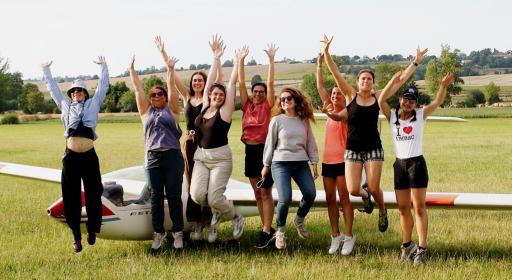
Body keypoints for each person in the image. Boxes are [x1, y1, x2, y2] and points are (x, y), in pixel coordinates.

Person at [378, 56, 453, 265]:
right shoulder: (392, 117)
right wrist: (394, 81)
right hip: (399, 165)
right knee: (403, 209)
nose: (408, 102)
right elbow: (380, 100)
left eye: (412, 100)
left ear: (416, 104)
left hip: (416, 164)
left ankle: (421, 248)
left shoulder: (420, 116)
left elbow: (437, 102)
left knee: (419, 208)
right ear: (400, 99)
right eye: (405, 99)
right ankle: (406, 245)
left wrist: (442, 86)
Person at [155, 36, 221, 242]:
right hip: (190, 145)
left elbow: (212, 78)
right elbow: (173, 80)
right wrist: (164, 55)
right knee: (193, 185)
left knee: (208, 184)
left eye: (200, 80)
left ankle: (211, 221)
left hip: (206, 145)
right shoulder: (187, 97)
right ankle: (197, 224)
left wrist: (215, 57)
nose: (198, 82)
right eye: (195, 80)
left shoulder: (208, 100)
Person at [41, 57, 109, 253]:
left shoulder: (93, 103)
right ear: (71, 94)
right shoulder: (65, 105)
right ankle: (76, 236)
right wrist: (46, 71)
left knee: (94, 193)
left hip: (89, 156)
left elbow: (103, 86)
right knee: (71, 197)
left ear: (85, 93)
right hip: (71, 156)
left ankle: (92, 230)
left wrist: (103, 67)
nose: (77, 93)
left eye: (80, 90)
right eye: (74, 91)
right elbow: (53, 90)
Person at [322, 34, 388, 232]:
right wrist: (326, 53)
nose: (366, 81)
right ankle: (365, 196)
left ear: (372, 83)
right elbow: (336, 75)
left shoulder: (377, 98)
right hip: (353, 150)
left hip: (373, 148)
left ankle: (383, 212)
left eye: (369, 79)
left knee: (375, 186)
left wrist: (415, 63)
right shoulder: (350, 95)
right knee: (352, 190)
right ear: (358, 82)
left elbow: (396, 83)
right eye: (363, 78)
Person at [189, 37, 244, 242]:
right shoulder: (204, 106)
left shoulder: (226, 112)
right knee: (197, 195)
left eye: (221, 95)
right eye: (215, 94)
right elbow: (211, 81)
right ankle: (217, 212)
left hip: (221, 158)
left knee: (214, 198)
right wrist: (216, 58)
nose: (218, 96)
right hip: (201, 157)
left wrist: (238, 62)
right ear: (209, 94)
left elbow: (231, 83)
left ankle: (235, 216)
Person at [128, 54, 184, 250]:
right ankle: (158, 233)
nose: (157, 97)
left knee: (174, 196)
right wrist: (132, 70)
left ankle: (178, 233)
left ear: (165, 97)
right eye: (153, 95)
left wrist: (170, 70)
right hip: (153, 159)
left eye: (160, 94)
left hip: (173, 157)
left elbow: (172, 88)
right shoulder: (145, 112)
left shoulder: (173, 111)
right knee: (156, 197)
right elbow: (137, 89)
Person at [262, 87, 319, 250]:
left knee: (310, 193)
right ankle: (280, 231)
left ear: (295, 101)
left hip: (301, 163)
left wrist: (314, 163)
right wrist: (266, 165)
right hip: (280, 163)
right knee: (285, 198)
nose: (285, 101)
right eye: (282, 99)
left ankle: (299, 220)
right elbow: (270, 144)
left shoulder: (304, 120)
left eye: (288, 98)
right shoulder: (277, 120)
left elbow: (310, 142)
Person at [238, 44, 278, 248]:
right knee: (257, 193)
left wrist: (271, 60)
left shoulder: (267, 105)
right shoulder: (247, 105)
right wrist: (241, 61)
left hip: (264, 152)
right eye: (256, 91)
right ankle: (267, 229)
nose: (258, 94)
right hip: (249, 151)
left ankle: (266, 230)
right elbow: (241, 84)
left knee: (265, 192)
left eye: (261, 91)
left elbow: (270, 83)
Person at [315, 52, 355, 255]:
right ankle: (335, 235)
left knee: (344, 198)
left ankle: (349, 236)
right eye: (333, 94)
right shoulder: (329, 105)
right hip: (327, 161)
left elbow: (337, 118)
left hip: (343, 161)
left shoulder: (348, 110)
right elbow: (320, 87)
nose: (334, 96)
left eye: (338, 94)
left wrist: (327, 113)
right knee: (330, 199)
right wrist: (319, 66)